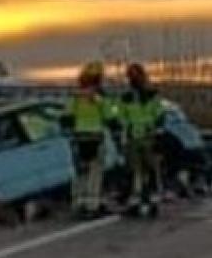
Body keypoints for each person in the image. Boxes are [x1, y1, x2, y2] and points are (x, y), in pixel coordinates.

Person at [61, 62, 122, 218]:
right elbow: (109, 116)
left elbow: (66, 117)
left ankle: (78, 204)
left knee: (80, 172)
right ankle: (92, 205)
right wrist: (116, 129)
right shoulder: (99, 97)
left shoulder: (76, 96)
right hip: (95, 137)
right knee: (95, 172)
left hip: (79, 138)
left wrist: (70, 134)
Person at [118, 63, 166, 217]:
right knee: (138, 171)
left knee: (145, 170)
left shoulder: (146, 96)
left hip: (143, 136)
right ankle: (140, 200)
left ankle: (146, 199)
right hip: (138, 136)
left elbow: (159, 115)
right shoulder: (130, 97)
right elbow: (121, 118)